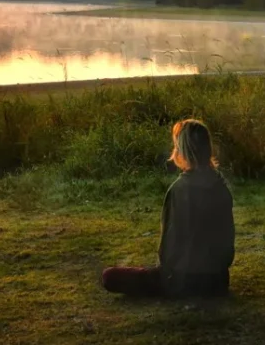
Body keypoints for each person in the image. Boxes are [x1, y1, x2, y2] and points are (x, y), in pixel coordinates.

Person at [101, 119, 235, 299]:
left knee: (109, 276)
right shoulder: (221, 187)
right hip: (217, 282)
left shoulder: (178, 190)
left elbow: (168, 249)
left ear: (182, 151)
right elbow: (227, 245)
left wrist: (169, 272)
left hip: (183, 283)